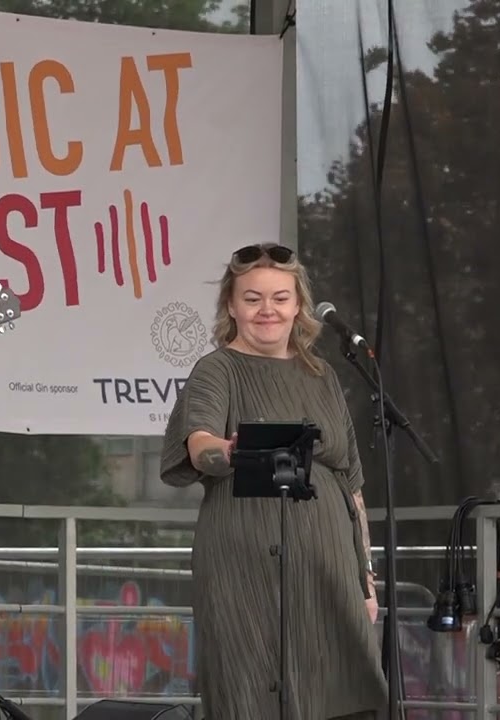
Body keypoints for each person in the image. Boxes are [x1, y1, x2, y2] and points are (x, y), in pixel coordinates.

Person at [159, 243, 387, 720]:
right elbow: (198, 443)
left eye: (280, 298)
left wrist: (365, 577)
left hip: (328, 569)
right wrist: (229, 450)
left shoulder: (322, 375)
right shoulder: (217, 369)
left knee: (349, 690)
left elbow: (352, 484)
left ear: (298, 305)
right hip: (246, 565)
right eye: (253, 298)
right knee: (251, 687)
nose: (268, 310)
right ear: (231, 306)